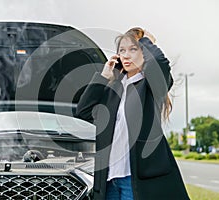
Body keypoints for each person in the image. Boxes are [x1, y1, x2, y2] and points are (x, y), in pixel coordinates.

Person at [76, 27, 190, 200]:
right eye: (122, 50)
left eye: (133, 49)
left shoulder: (150, 86)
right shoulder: (113, 89)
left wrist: (147, 41)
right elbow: (83, 111)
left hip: (136, 180)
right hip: (109, 180)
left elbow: (160, 63)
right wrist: (104, 76)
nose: (126, 55)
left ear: (144, 53)